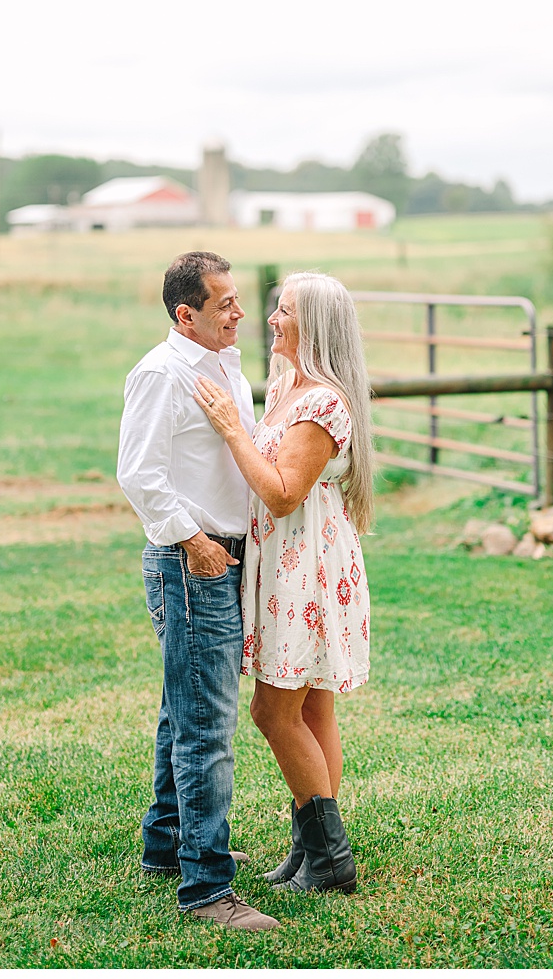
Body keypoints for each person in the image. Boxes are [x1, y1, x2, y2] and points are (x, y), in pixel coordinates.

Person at [192, 270, 373, 897]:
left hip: (305, 569)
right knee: (313, 703)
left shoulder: (322, 404)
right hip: (289, 563)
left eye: (284, 310)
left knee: (273, 711)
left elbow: (282, 493)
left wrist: (231, 430)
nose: (270, 319)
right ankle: (313, 847)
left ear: (314, 325)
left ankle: (330, 858)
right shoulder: (290, 390)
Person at [117, 251, 279, 931]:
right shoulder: (162, 374)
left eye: (238, 300)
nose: (240, 313)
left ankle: (168, 844)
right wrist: (196, 541)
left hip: (223, 558)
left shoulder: (222, 366)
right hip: (194, 563)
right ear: (187, 314)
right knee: (207, 729)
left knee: (182, 711)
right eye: (225, 305)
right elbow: (139, 473)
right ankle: (208, 888)